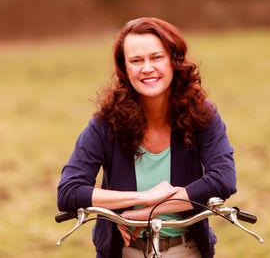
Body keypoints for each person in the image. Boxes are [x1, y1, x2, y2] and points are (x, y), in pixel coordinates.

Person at [57, 17, 237, 258]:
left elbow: (223, 180)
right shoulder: (106, 123)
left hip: (189, 249)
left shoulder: (202, 116)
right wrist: (143, 197)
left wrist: (144, 213)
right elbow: (69, 191)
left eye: (156, 57)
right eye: (136, 61)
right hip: (122, 252)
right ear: (125, 68)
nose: (147, 68)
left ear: (174, 61)